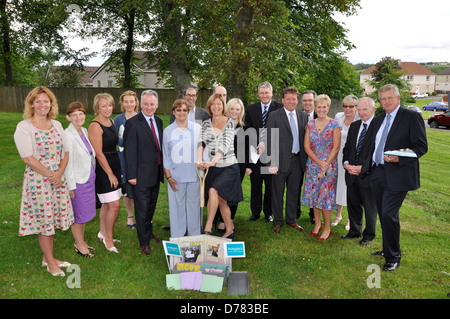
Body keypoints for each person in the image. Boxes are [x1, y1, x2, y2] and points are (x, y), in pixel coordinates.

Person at [363, 84, 427, 271]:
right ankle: (387, 249)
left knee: (388, 214)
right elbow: (370, 146)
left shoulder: (411, 117)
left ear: (398, 98)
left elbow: (421, 147)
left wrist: (399, 157)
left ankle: (393, 257)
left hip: (398, 174)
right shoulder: (378, 119)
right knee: (385, 215)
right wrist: (365, 167)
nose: (386, 101)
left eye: (390, 98)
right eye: (383, 99)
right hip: (377, 174)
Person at [13, 86, 74, 276]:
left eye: (46, 101)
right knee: (44, 222)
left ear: (51, 104)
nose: (42, 104)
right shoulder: (24, 127)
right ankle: (50, 263)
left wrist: (59, 173)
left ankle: (48, 258)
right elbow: (28, 158)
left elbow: (66, 152)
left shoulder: (56, 125)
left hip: (57, 179)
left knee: (53, 219)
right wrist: (51, 175)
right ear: (31, 104)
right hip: (38, 181)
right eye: (38, 101)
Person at [197, 93, 243, 239]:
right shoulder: (205, 123)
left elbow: (224, 145)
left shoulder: (230, 122)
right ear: (209, 107)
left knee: (212, 190)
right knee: (222, 201)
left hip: (228, 167)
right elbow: (200, 143)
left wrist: (212, 161)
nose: (216, 107)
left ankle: (208, 227)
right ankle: (229, 229)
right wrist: (199, 161)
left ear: (223, 106)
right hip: (213, 167)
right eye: (213, 104)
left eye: (219, 104)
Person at [124, 90, 164, 256]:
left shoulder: (159, 121)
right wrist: (131, 175)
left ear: (157, 105)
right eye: (146, 104)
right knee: (141, 209)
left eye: (152, 104)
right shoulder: (133, 123)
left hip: (155, 173)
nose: (149, 107)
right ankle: (144, 243)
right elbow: (130, 151)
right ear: (141, 104)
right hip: (140, 175)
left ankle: (148, 232)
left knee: (150, 207)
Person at [264, 86, 309, 234]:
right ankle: (277, 221)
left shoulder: (303, 116)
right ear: (283, 100)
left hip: (297, 160)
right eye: (288, 99)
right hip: (279, 161)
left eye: (294, 99)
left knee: (294, 192)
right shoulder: (274, 115)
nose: (291, 101)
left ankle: (291, 220)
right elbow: (269, 139)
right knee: (277, 192)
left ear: (297, 101)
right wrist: (272, 162)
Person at [302, 94, 341, 241]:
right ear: (315, 108)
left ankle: (327, 228)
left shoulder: (334, 125)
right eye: (319, 107)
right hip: (312, 165)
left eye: (324, 107)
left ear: (328, 107)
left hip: (328, 167)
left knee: (325, 198)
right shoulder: (310, 124)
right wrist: (318, 162)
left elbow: (336, 147)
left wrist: (324, 164)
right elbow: (307, 146)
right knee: (314, 196)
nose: (321, 109)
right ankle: (317, 224)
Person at [244, 81, 283, 223]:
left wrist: (268, 144)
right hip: (255, 154)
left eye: (267, 92)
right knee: (256, 185)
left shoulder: (279, 108)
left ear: (271, 93)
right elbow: (247, 130)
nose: (264, 95)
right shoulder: (251, 109)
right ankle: (255, 213)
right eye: (262, 92)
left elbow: (282, 131)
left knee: (270, 186)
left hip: (272, 154)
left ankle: (268, 213)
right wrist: (257, 145)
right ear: (258, 94)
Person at [88, 93, 122, 254]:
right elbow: (99, 153)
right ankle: (108, 240)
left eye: (109, 105)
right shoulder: (95, 126)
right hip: (104, 169)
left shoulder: (112, 121)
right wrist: (110, 174)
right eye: (104, 106)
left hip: (114, 164)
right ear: (97, 108)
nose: (107, 108)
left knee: (108, 204)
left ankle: (103, 232)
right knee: (114, 205)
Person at [162, 99, 201, 238]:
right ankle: (178, 237)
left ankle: (194, 236)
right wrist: (168, 177)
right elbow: (165, 156)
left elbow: (202, 150)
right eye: (178, 110)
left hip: (194, 175)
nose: (182, 113)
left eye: (185, 110)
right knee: (176, 208)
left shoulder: (197, 128)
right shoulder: (168, 131)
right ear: (174, 112)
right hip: (176, 177)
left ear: (188, 112)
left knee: (194, 208)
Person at [342, 97, 377, 245]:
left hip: (368, 174)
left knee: (369, 207)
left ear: (373, 110)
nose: (361, 113)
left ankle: (368, 235)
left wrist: (363, 167)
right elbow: (347, 148)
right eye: (360, 109)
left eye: (365, 109)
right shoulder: (355, 126)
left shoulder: (379, 126)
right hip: (351, 173)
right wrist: (346, 164)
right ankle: (354, 231)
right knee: (353, 203)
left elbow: (377, 151)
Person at [65, 101, 96, 258]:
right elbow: (67, 164)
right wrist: (70, 187)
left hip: (88, 178)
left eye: (81, 113)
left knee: (84, 214)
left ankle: (81, 241)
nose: (78, 117)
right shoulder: (67, 135)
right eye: (74, 114)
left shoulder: (84, 130)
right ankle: (79, 244)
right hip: (77, 182)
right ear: (68, 117)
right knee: (78, 215)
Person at [216, 98, 247, 232]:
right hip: (221, 165)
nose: (234, 112)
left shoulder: (244, 128)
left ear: (241, 111)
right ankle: (221, 218)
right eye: (232, 109)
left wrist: (248, 166)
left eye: (237, 109)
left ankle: (228, 221)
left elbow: (246, 150)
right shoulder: (220, 125)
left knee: (233, 194)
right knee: (221, 193)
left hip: (238, 166)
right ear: (228, 109)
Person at [333, 94, 359, 229]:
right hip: (338, 157)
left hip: (352, 159)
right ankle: (338, 215)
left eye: (351, 106)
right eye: (345, 106)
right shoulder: (338, 117)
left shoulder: (360, 120)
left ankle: (350, 218)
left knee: (351, 188)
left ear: (356, 107)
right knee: (339, 186)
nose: (347, 109)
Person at [114, 90, 139, 229]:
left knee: (142, 189)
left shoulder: (142, 116)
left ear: (136, 103)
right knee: (127, 188)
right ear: (122, 103)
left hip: (140, 157)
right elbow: (117, 140)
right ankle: (130, 216)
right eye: (126, 102)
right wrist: (123, 138)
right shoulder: (118, 119)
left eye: (131, 101)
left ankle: (144, 215)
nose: (129, 104)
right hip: (124, 157)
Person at [299, 90, 318, 224]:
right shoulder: (297, 115)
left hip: (316, 158)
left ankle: (313, 214)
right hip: (299, 156)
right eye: (305, 100)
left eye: (310, 100)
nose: (307, 103)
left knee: (314, 186)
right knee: (296, 185)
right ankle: (295, 212)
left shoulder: (321, 115)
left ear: (314, 102)